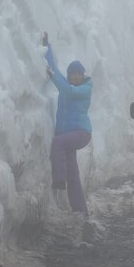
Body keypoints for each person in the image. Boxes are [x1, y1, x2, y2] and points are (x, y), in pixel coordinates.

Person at [43, 35, 93, 216]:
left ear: (83, 75)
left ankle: (58, 180)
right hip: (68, 135)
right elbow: (54, 67)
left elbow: (68, 90)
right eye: (73, 74)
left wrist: (54, 78)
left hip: (81, 133)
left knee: (57, 143)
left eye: (79, 74)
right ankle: (80, 211)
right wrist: (46, 47)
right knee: (74, 174)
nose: (76, 76)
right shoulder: (67, 83)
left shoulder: (85, 89)